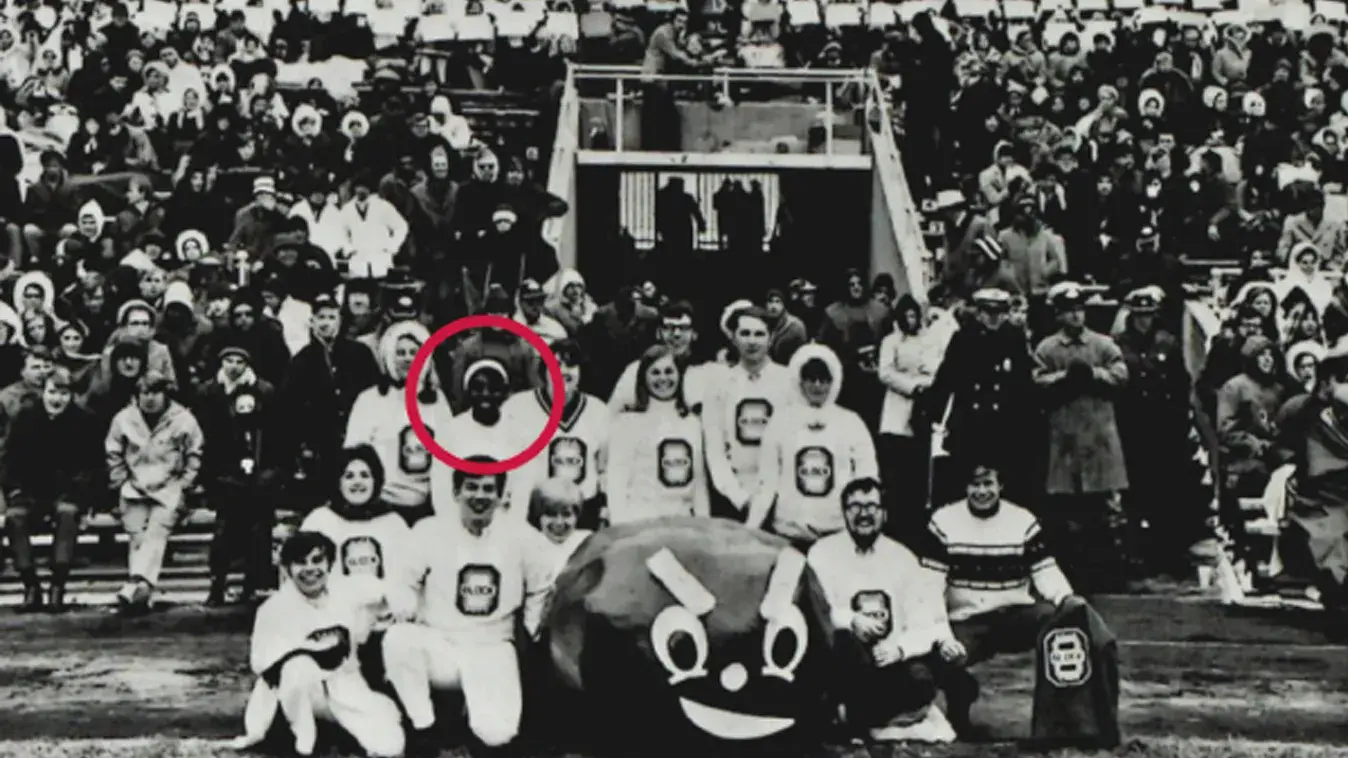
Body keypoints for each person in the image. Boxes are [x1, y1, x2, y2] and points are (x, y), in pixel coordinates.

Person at [380, 455, 556, 754]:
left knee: (497, 734)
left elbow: (542, 584)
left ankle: (467, 720)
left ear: (501, 495)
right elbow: (401, 578)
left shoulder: (522, 537)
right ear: (455, 492)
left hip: (492, 645)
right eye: (471, 487)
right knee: (398, 640)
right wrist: (404, 603)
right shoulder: (429, 531)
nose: (480, 496)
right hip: (441, 643)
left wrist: (530, 627)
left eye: (488, 489)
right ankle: (426, 727)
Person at [923, 463, 1085, 736]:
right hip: (966, 619)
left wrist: (1066, 598)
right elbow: (929, 586)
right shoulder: (943, 521)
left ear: (1001, 486)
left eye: (988, 484)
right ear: (965, 487)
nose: (981, 491)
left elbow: (1045, 571)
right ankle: (960, 708)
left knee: (1061, 626)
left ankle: (1061, 719)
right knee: (938, 658)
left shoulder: (1022, 521)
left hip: (1014, 615)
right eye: (975, 485)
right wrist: (942, 635)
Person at [806, 477, 961, 743]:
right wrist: (851, 620)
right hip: (845, 658)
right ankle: (890, 723)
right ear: (843, 513)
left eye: (871, 506)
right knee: (843, 649)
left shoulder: (903, 558)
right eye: (855, 506)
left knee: (921, 679)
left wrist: (899, 649)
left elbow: (923, 623)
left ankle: (863, 723)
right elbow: (815, 610)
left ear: (884, 514)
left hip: (888, 661)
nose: (864, 513)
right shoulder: (822, 553)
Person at [234, 531, 405, 758]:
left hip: (344, 686)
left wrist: (398, 601)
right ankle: (303, 742)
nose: (310, 569)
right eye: (300, 562)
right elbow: (263, 663)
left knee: (390, 746)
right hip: (294, 693)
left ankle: (336, 731)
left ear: (330, 564)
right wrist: (310, 654)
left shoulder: (344, 594)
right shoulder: (273, 609)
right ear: (286, 568)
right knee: (298, 667)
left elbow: (384, 590)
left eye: (317, 561)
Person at [1032, 282, 1131, 590]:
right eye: (1068, 311)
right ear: (1058, 315)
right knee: (1066, 513)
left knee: (1103, 513)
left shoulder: (1102, 345)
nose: (1075, 317)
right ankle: (1069, 573)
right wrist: (1063, 378)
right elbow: (1036, 380)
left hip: (1099, 439)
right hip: (1065, 439)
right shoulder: (1047, 348)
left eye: (1079, 310)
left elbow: (1121, 374)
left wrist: (1093, 374)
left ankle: (1107, 574)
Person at [747, 344, 878, 547]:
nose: (817, 386)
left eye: (824, 380)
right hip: (789, 533)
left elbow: (867, 480)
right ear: (800, 381)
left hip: (837, 535)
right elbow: (767, 481)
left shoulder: (851, 422)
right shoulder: (780, 422)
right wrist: (750, 529)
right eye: (811, 379)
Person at [1, 368, 102, 612]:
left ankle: (58, 587)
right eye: (52, 392)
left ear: (72, 395)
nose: (57, 399)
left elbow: (93, 466)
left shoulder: (84, 420)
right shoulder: (25, 417)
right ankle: (31, 587)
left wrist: (79, 493)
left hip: (66, 493)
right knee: (15, 518)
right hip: (29, 492)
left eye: (64, 393)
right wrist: (15, 491)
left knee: (67, 515)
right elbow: (8, 461)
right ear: (43, 392)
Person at [104, 370, 205, 615]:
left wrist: (184, 486)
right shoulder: (124, 419)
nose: (150, 398)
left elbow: (195, 456)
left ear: (166, 394)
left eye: (156, 393)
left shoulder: (183, 420)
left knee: (156, 531)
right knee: (138, 535)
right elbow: (113, 452)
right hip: (134, 488)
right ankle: (142, 591)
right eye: (144, 393)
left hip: (169, 488)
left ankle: (133, 584)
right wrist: (121, 482)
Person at [344, 321, 454, 527]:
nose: (407, 358)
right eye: (400, 352)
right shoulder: (370, 399)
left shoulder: (437, 401)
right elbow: (354, 453)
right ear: (389, 356)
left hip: (426, 505)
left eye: (414, 352)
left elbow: (448, 454)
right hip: (381, 504)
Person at [501, 338, 608, 525]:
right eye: (557, 364)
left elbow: (604, 468)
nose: (564, 371)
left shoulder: (598, 410)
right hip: (533, 511)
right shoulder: (517, 408)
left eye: (571, 365)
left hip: (584, 511)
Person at [702, 306, 794, 520]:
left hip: (782, 497)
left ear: (771, 339)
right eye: (745, 334)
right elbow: (714, 450)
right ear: (733, 338)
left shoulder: (789, 382)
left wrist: (775, 496)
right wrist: (739, 497)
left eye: (759, 334)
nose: (752, 341)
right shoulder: (719, 385)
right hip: (733, 498)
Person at [604, 344, 710, 524]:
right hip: (640, 521)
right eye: (655, 372)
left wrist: (704, 525)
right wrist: (621, 529)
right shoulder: (627, 423)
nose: (663, 379)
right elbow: (616, 484)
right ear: (643, 377)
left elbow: (699, 484)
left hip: (683, 522)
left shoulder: (692, 423)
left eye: (669, 371)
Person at [527, 477, 593, 570]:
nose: (559, 522)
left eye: (566, 514)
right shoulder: (526, 549)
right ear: (538, 515)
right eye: (551, 514)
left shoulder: (587, 543)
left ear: (577, 516)